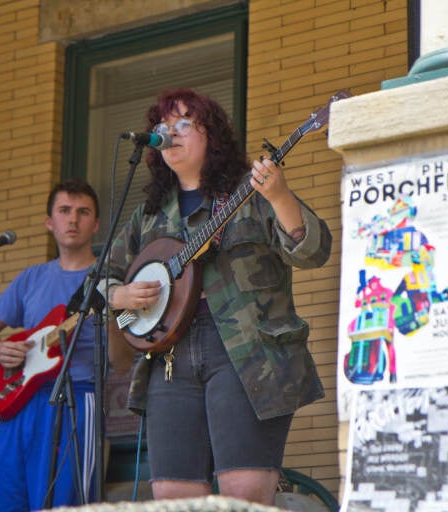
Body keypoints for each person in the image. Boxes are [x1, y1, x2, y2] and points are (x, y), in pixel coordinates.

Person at [102, 88, 332, 505]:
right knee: (173, 496)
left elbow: (314, 252)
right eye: (162, 128)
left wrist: (279, 196)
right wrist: (119, 294)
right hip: (169, 358)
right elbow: (97, 282)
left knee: (242, 493)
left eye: (183, 124)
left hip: (247, 354)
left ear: (213, 135)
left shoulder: (250, 193)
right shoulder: (148, 216)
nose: (170, 134)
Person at [0, 178, 134, 511]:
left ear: (96, 224)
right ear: (50, 222)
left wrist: (115, 317)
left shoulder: (111, 281)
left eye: (83, 212)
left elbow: (123, 362)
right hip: (18, 403)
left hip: (77, 399)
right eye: (64, 211)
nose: (73, 219)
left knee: (63, 504)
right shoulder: (30, 278)